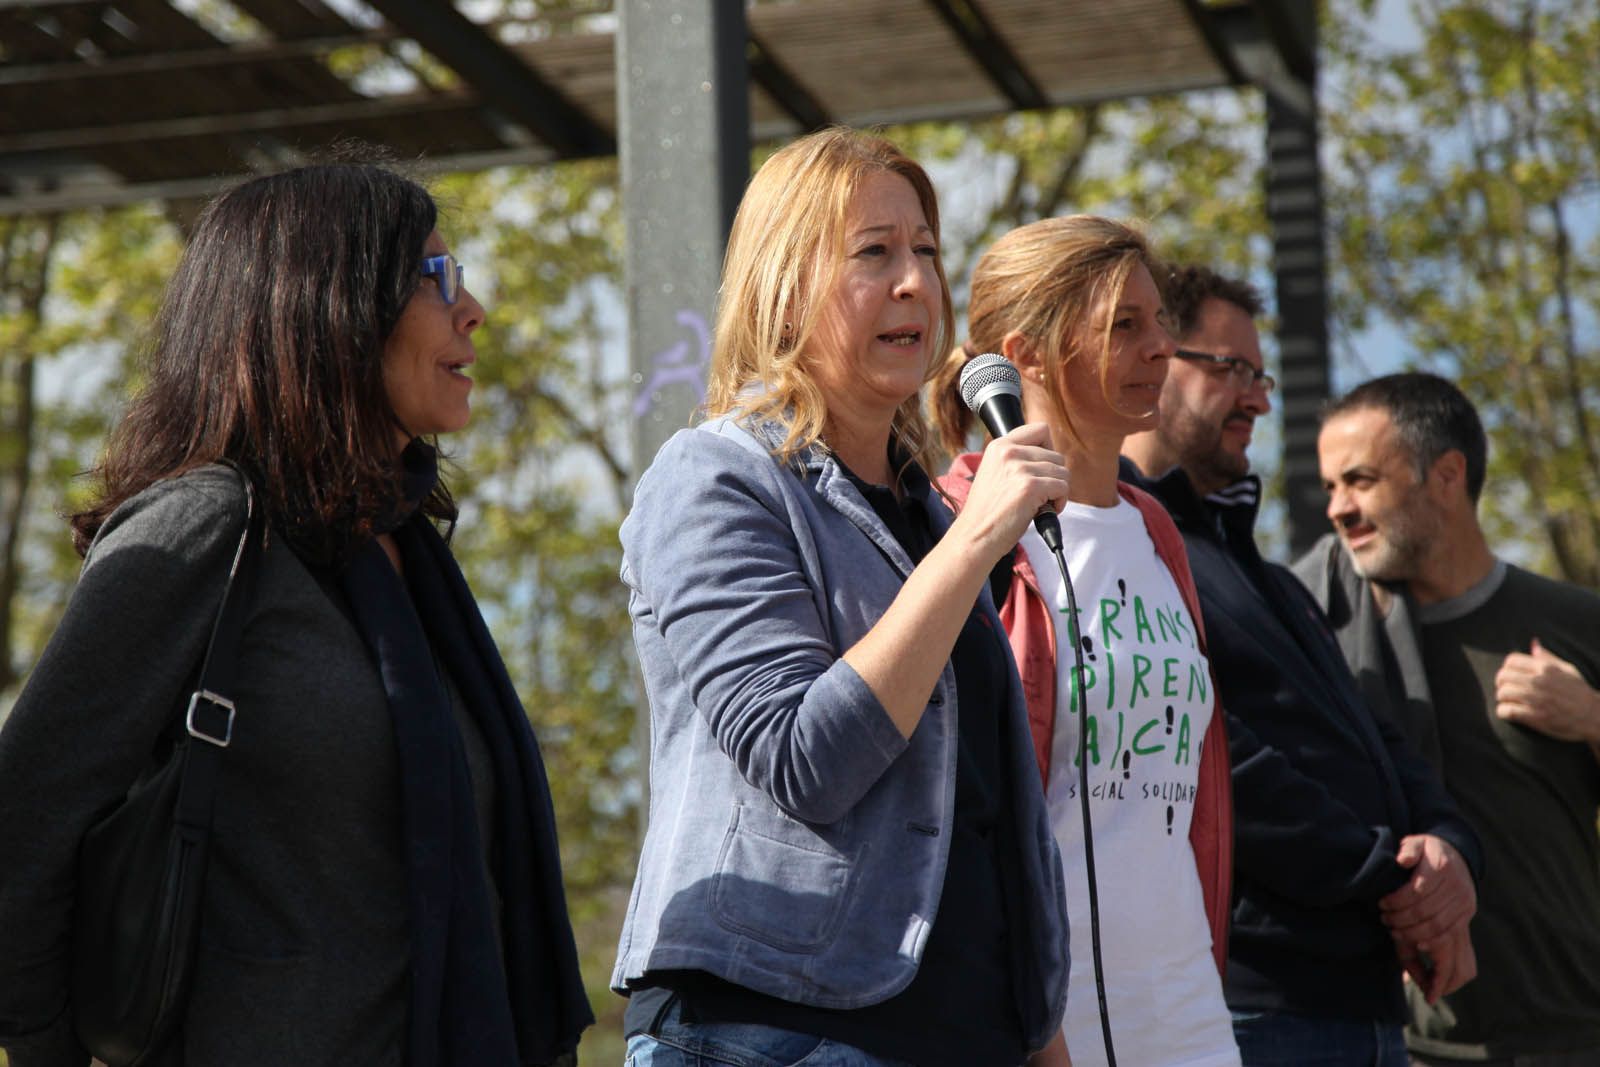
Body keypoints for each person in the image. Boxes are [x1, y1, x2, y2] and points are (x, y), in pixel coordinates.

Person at [0, 162, 592, 1067]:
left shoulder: (402, 555)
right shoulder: (205, 527)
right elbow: (24, 821)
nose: (472, 309)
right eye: (436, 279)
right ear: (332, 311)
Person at [611, 126, 1072, 1067]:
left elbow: (987, 820)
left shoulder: (928, 520)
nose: (915, 281)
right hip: (773, 1029)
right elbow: (803, 757)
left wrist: (1039, 1032)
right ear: (784, 283)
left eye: (927, 252)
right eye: (875, 253)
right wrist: (984, 532)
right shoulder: (712, 478)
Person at [1118, 266, 1484, 1066]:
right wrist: (1392, 877)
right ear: (1155, 359)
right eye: (1233, 369)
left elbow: (1379, 740)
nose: (1258, 398)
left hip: (1366, 1007)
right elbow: (1216, 754)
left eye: (1263, 375)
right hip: (1255, 1004)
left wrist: (1451, 852)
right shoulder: (1121, 552)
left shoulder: (1271, 577)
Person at [931, 216, 1237, 1067]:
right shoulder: (956, 527)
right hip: (1043, 1018)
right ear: (1027, 352)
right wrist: (1032, 1028)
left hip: (1187, 1004)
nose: (1160, 349)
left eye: (1159, 323)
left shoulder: (1158, 531)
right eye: (1124, 326)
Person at [1295, 372, 1600, 1066]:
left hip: (1574, 1033)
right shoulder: (1320, 634)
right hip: (1405, 1044)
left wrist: (1591, 717)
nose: (1338, 509)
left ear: (1447, 475)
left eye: (1361, 480)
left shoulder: (1577, 624)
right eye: (1331, 486)